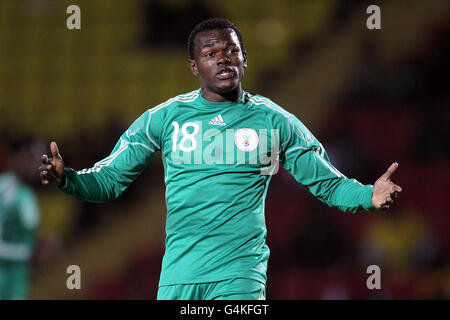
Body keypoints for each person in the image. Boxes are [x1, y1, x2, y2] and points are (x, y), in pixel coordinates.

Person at [39, 18, 402, 300]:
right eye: (211, 54)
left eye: (231, 51)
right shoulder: (163, 119)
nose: (223, 60)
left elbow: (324, 181)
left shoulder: (274, 121)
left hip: (239, 275)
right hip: (179, 277)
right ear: (194, 66)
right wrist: (67, 179)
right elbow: (109, 180)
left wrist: (366, 196)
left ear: (245, 58)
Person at [0, 136, 42, 299]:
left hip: (19, 282)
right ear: (15, 158)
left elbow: (26, 239)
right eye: (30, 157)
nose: (34, 164)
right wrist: (29, 254)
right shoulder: (3, 191)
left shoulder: (28, 196)